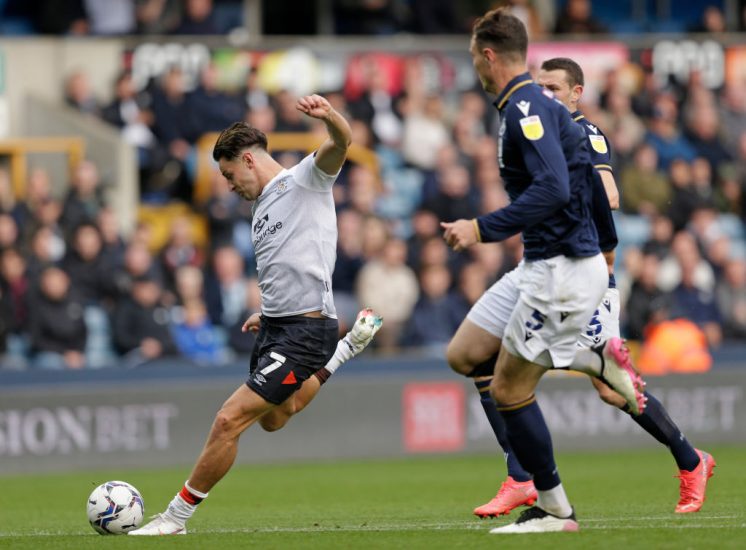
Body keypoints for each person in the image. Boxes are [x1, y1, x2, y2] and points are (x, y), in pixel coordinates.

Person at [471, 57, 716, 520]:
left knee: (609, 389)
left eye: (555, 87)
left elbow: (611, 193)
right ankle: (521, 477)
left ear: (576, 93)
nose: (545, 94)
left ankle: (690, 459)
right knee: (485, 356)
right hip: (548, 270)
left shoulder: (585, 133)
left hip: (587, 275)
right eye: (539, 85)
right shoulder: (538, 132)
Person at [129, 95, 383, 536]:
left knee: (230, 419)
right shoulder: (261, 206)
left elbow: (343, 142)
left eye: (229, 175)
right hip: (278, 326)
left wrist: (331, 118)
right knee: (273, 418)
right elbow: (287, 267)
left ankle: (176, 517)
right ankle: (344, 352)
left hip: (307, 330)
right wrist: (265, 314)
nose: (228, 184)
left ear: (248, 160)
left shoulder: (306, 180)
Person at [441, 9, 644, 534]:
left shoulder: (526, 110)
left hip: (559, 271)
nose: (475, 69)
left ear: (489, 56)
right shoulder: (542, 107)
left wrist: (481, 228)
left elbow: (554, 188)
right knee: (464, 354)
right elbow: (588, 184)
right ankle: (590, 355)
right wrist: (606, 247)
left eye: (474, 58)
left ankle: (556, 510)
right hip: (541, 264)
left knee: (510, 392)